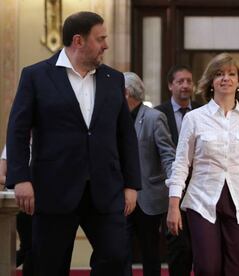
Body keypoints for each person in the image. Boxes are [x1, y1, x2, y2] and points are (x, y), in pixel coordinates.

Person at [6, 11, 141, 275]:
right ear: (78, 41)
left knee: (115, 258)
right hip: (53, 189)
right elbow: (17, 131)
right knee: (49, 265)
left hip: (106, 190)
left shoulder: (114, 80)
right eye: (100, 38)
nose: (106, 45)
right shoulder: (35, 76)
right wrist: (20, 178)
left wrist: (131, 184)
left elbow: (125, 134)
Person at [166, 53, 239, 276]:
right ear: (211, 81)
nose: (225, 78)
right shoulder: (194, 118)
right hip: (201, 200)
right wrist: (174, 205)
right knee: (208, 267)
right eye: (219, 74)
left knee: (237, 268)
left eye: (231, 74)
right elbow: (180, 164)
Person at [123, 72, 176, 276]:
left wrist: (174, 188)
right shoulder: (115, 118)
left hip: (149, 198)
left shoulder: (155, 118)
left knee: (150, 252)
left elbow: (168, 155)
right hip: (120, 197)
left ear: (126, 93)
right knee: (121, 251)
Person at [155, 65, 201, 276]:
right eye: (180, 81)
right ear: (170, 85)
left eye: (189, 81)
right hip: (171, 191)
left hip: (201, 189)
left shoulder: (203, 111)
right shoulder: (158, 114)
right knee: (178, 247)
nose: (185, 85)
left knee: (201, 247)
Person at [0, 145, 34, 276]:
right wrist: (23, 182)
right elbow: (1, 176)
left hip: (42, 203)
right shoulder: (12, 145)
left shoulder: (47, 139)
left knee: (36, 247)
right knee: (28, 247)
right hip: (19, 202)